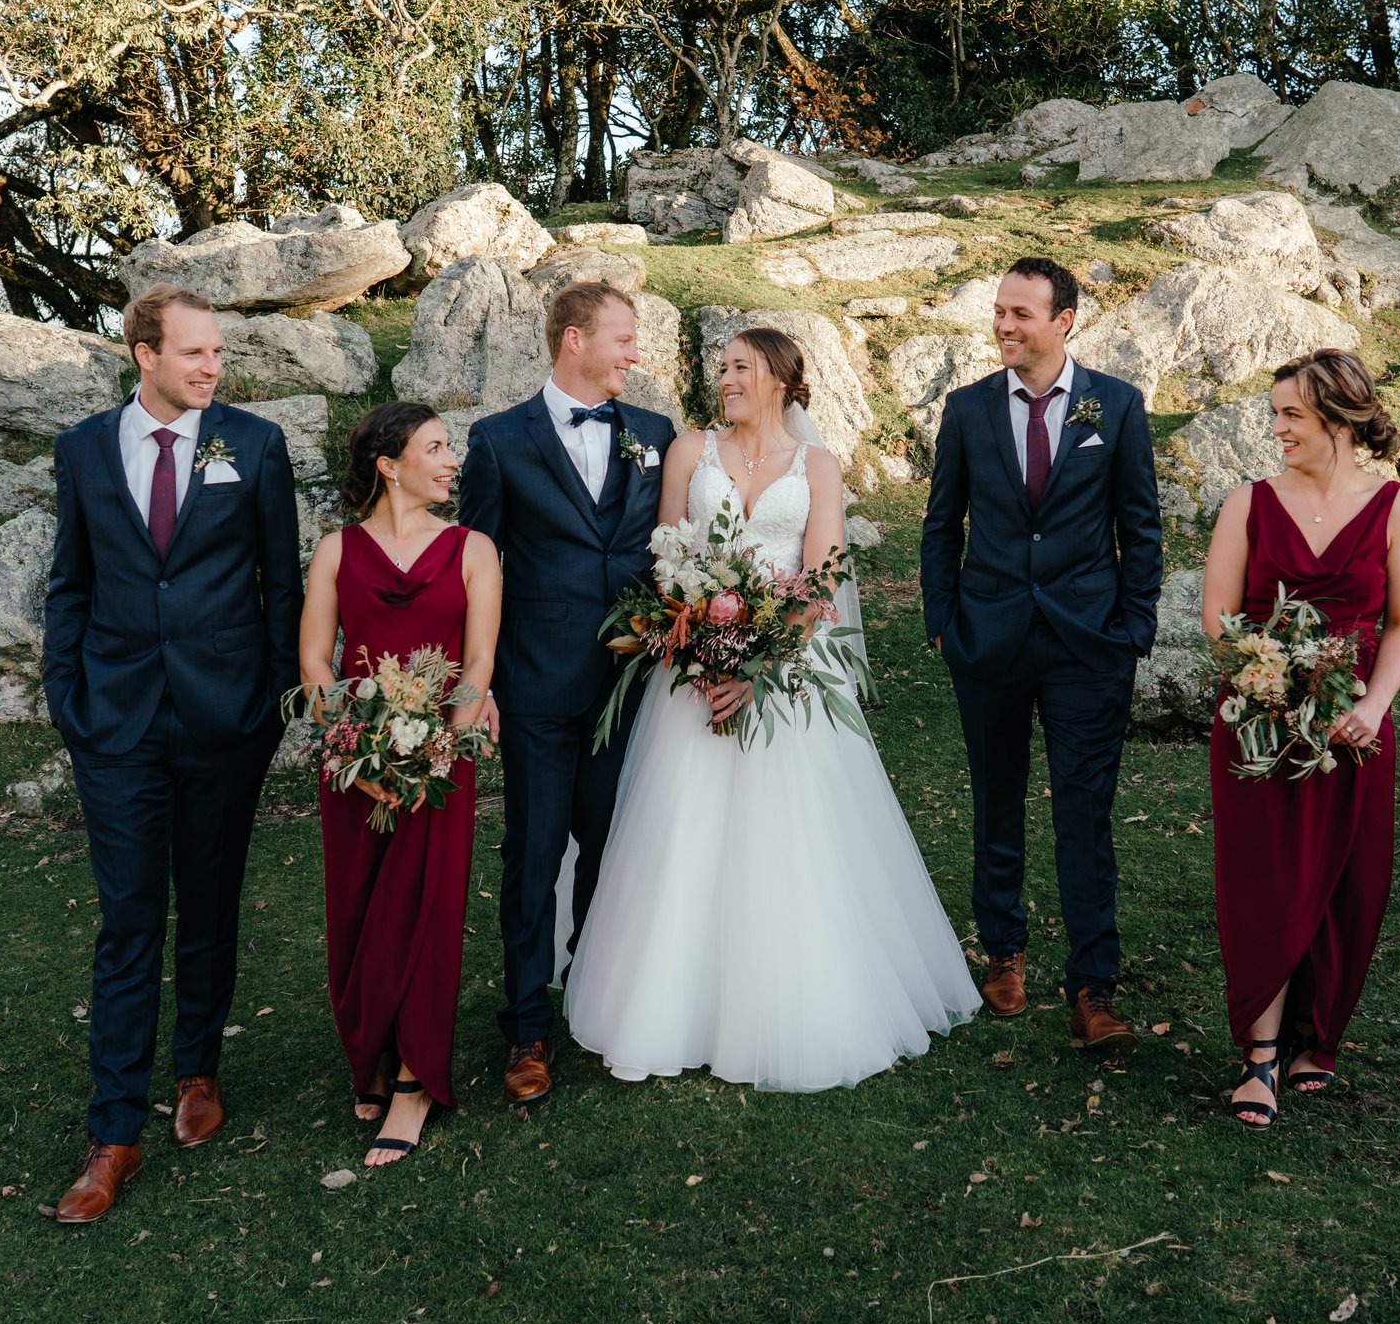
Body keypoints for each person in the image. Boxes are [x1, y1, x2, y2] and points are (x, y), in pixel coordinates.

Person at [566, 329, 980, 1090]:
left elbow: (818, 581)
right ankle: (666, 1007)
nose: (723, 379)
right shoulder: (691, 452)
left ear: (781, 381)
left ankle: (793, 1001)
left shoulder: (818, 466)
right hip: (689, 671)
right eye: (721, 367)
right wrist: (699, 650)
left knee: (793, 840)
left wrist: (756, 671)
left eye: (739, 368)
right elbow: (667, 558)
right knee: (679, 833)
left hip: (787, 670)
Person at [39, 283, 302, 1222]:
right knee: (128, 921)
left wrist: (268, 708)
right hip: (114, 723)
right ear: (143, 355)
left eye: (218, 354)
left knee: (210, 903)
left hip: (224, 718)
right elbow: (69, 583)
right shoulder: (81, 449)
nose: (212, 367)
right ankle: (113, 1132)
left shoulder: (255, 445)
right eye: (194, 353)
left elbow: (284, 585)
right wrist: (68, 698)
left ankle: (198, 1069)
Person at [919, 257, 1164, 1053]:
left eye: (1021, 313)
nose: (1003, 326)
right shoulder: (967, 409)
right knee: (996, 802)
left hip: (1088, 647)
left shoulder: (1116, 407)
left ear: (1065, 321)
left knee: (1084, 815)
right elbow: (939, 525)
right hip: (986, 639)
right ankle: (1004, 951)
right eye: (999, 311)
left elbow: (1141, 527)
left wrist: (1132, 629)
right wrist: (942, 624)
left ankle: (1093, 986)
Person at [453, 280, 678, 1108]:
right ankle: (525, 1026)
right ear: (573, 339)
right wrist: (479, 685)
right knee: (534, 852)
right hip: (538, 686)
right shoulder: (499, 440)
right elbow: (476, 570)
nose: (634, 352)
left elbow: (674, 548)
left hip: (634, 689)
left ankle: (593, 993)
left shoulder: (655, 435)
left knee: (615, 850)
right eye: (622, 337)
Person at [1201, 348, 1400, 1128]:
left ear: (1339, 418)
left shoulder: (1399, 508)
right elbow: (1219, 618)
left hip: (1353, 727)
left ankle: (1316, 1036)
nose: (1277, 429)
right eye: (1277, 415)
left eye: (1291, 415)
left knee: (1346, 888)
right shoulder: (1248, 504)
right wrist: (1262, 674)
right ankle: (1259, 1056)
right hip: (1260, 729)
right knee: (1262, 881)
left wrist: (1375, 704)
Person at [297, 403, 500, 1166]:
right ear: (389, 464)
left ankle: (415, 1081)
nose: (453, 461)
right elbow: (317, 661)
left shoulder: (473, 549)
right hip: (355, 761)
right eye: (437, 448)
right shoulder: (335, 552)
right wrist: (352, 744)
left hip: (442, 759)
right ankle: (372, 1055)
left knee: (429, 909)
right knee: (356, 910)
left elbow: (477, 664)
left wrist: (439, 748)